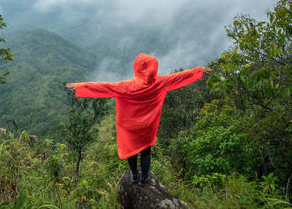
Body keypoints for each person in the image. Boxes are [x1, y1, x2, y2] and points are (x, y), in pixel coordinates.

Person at [66, 53, 211, 186]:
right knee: (146, 151)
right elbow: (180, 77)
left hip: (130, 127)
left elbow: (104, 88)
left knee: (131, 150)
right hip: (147, 126)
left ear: (136, 69)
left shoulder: (127, 87)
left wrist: (80, 86)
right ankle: (144, 178)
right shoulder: (160, 82)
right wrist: (199, 70)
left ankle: (134, 175)